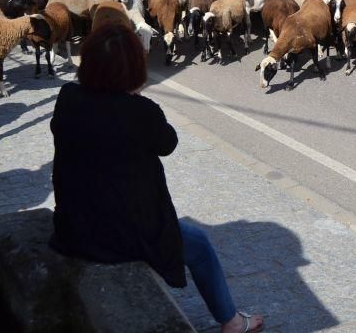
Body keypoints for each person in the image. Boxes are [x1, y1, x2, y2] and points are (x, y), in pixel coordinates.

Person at [50, 24, 264, 333]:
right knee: (199, 245)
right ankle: (230, 321)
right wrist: (133, 98)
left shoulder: (68, 97)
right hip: (121, 235)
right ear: (133, 70)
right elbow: (168, 142)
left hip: (73, 223)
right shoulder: (140, 112)